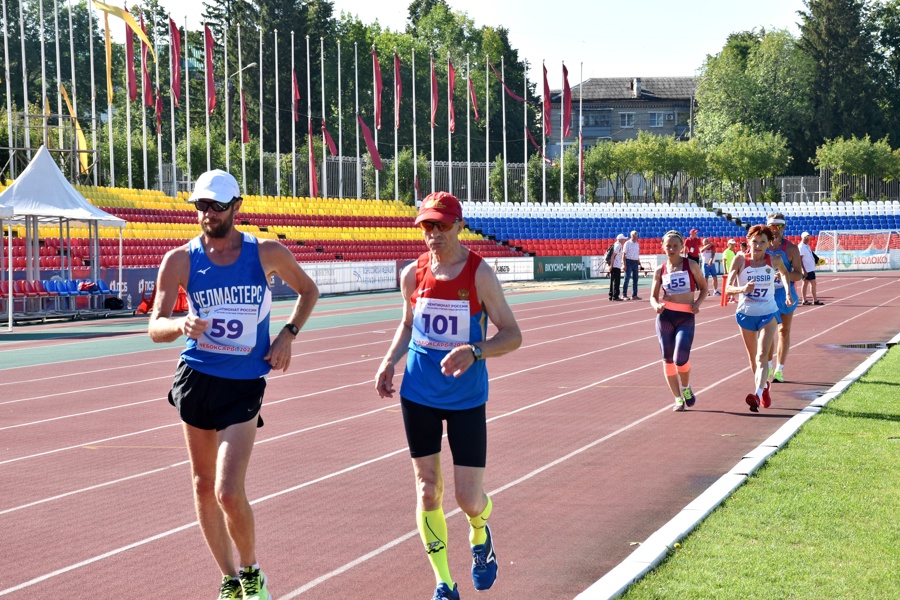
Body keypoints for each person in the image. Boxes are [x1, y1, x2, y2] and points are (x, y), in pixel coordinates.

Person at [148, 169, 319, 600]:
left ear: (236, 207)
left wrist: (287, 334)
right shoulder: (180, 260)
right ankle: (229, 580)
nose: (207, 214)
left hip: (243, 383)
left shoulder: (266, 253)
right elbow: (154, 326)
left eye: (216, 206)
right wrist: (178, 323)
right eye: (201, 206)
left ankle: (251, 570)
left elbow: (309, 290)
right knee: (202, 485)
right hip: (196, 379)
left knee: (226, 490)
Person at [374, 191, 522, 600]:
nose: (433, 233)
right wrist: (388, 361)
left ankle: (480, 531)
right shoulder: (413, 274)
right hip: (418, 391)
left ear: (459, 226)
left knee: (468, 498)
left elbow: (512, 334)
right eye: (427, 225)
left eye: (441, 225)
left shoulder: (479, 274)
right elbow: (407, 325)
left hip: (465, 398)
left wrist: (475, 350)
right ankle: (443, 582)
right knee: (427, 489)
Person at [726, 225, 793, 412]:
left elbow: (786, 275)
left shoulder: (775, 260)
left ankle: (756, 393)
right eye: (754, 241)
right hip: (746, 313)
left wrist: (788, 293)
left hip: (768, 313)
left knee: (763, 356)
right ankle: (764, 388)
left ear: (768, 243)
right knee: (753, 359)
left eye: (763, 242)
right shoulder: (740, 260)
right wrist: (742, 289)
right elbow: (727, 288)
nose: (758, 245)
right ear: (748, 241)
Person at [650, 230, 708, 411]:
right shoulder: (660, 270)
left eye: (675, 245)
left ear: (682, 247)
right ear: (663, 247)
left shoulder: (691, 265)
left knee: (680, 359)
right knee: (668, 359)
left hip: (685, 317)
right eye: (668, 245)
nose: (672, 249)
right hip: (665, 316)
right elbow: (653, 296)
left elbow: (704, 288)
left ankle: (686, 387)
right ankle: (677, 399)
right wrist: (655, 305)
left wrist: (698, 303)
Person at [765, 212, 803, 383]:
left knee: (784, 331)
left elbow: (799, 275)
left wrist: (783, 275)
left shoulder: (791, 248)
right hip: (766, 295)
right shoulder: (761, 247)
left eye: (779, 226)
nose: (775, 230)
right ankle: (768, 365)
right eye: (772, 226)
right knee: (767, 332)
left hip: (785, 295)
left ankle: (779, 369)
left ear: (784, 227)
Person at [797, 232, 823, 305]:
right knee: (805, 283)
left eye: (808, 237)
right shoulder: (801, 247)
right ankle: (804, 300)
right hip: (806, 269)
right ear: (802, 238)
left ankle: (814, 300)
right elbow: (800, 259)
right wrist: (803, 270)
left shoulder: (807, 246)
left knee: (813, 283)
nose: (807, 239)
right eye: (806, 237)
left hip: (810, 268)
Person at [622, 230, 642, 300]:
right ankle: (624, 295)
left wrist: (639, 262)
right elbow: (624, 254)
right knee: (627, 278)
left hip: (635, 262)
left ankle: (634, 295)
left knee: (635, 279)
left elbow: (637, 254)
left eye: (636, 236)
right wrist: (624, 264)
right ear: (631, 236)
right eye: (634, 236)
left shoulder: (637, 244)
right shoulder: (627, 243)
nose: (635, 237)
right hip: (628, 261)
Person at [608, 233, 626, 301]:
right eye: (623, 239)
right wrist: (611, 265)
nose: (624, 240)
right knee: (616, 281)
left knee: (613, 281)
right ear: (620, 239)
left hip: (616, 265)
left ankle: (611, 295)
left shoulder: (616, 244)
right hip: (616, 265)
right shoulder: (618, 245)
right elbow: (613, 256)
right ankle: (615, 296)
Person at [722, 239, 738, 303]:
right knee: (730, 284)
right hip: (729, 270)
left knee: (733, 284)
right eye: (731, 244)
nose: (733, 245)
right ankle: (730, 297)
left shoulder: (733, 252)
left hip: (734, 270)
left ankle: (731, 297)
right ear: (728, 245)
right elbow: (724, 261)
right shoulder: (726, 251)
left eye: (734, 244)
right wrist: (725, 270)